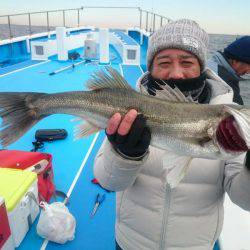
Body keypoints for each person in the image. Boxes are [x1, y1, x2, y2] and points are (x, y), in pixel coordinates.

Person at [94, 19, 250, 250]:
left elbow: (244, 200)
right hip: (131, 243)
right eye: (164, 62)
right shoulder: (131, 110)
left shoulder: (229, 123)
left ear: (201, 67)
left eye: (187, 62)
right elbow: (108, 182)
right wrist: (123, 155)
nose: (176, 74)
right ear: (151, 68)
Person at [208, 36, 250, 105]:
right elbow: (237, 113)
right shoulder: (225, 82)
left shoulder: (211, 63)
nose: (249, 72)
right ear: (235, 60)